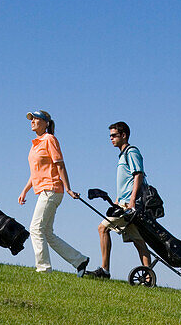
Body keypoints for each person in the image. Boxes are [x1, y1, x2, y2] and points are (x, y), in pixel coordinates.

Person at [18, 110, 89, 275]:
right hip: (44, 190)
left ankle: (43, 269)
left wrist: (69, 188)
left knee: (35, 228)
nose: (32, 121)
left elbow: (60, 165)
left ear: (46, 123)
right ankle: (79, 260)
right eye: (31, 119)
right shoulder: (36, 143)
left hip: (52, 189)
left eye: (36, 119)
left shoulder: (50, 139)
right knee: (47, 233)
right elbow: (36, 173)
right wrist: (25, 191)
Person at [89, 121, 151, 279]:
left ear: (124, 135)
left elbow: (138, 175)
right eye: (110, 136)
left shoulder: (132, 152)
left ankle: (105, 270)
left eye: (114, 135)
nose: (111, 138)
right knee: (139, 241)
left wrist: (131, 202)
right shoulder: (122, 155)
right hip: (124, 203)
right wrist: (117, 200)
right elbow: (126, 181)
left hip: (130, 205)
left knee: (102, 228)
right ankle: (149, 278)